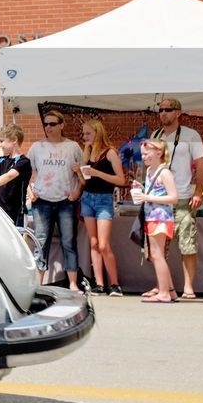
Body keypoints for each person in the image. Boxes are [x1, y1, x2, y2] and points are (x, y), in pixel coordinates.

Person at [150, 98, 203, 299]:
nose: (163, 113)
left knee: (187, 243)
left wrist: (198, 192)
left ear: (178, 113)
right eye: (161, 110)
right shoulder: (155, 135)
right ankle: (163, 286)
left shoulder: (190, 135)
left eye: (168, 110)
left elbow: (201, 164)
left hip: (182, 196)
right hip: (159, 198)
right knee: (157, 245)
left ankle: (188, 287)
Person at [27, 110, 84, 291]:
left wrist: (77, 192)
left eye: (52, 124)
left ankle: (73, 284)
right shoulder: (37, 147)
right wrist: (30, 191)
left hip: (66, 201)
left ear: (62, 125)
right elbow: (27, 173)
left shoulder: (73, 147)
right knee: (41, 242)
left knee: (69, 241)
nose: (48, 128)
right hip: (42, 200)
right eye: (46, 124)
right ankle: (38, 284)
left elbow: (83, 173)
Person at [75, 119, 126, 296]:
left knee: (104, 244)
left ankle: (115, 284)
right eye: (84, 134)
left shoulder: (110, 153)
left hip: (104, 199)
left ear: (97, 133)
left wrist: (97, 173)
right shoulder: (87, 153)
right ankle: (99, 283)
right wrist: (79, 173)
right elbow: (85, 182)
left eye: (88, 133)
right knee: (94, 242)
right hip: (88, 198)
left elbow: (121, 180)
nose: (85, 137)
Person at [133, 138, 179, 303]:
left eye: (147, 153)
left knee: (157, 254)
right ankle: (170, 291)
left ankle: (164, 293)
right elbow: (155, 193)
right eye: (143, 154)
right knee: (155, 255)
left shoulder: (163, 172)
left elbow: (174, 197)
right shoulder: (150, 172)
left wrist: (147, 196)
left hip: (161, 218)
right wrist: (142, 189)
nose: (144, 157)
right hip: (151, 216)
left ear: (159, 152)